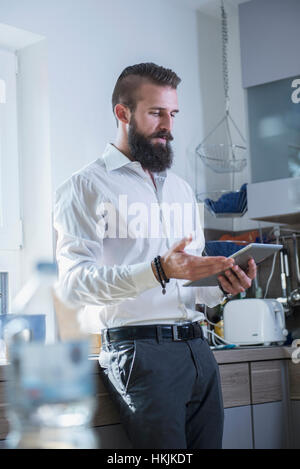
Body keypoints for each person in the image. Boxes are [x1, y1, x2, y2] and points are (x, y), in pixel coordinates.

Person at [54, 62, 256, 449]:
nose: (168, 125)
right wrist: (157, 270)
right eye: (156, 113)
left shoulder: (181, 189)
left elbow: (192, 287)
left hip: (199, 349)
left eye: (173, 114)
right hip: (139, 352)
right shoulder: (84, 187)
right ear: (122, 113)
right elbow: (73, 285)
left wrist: (223, 286)